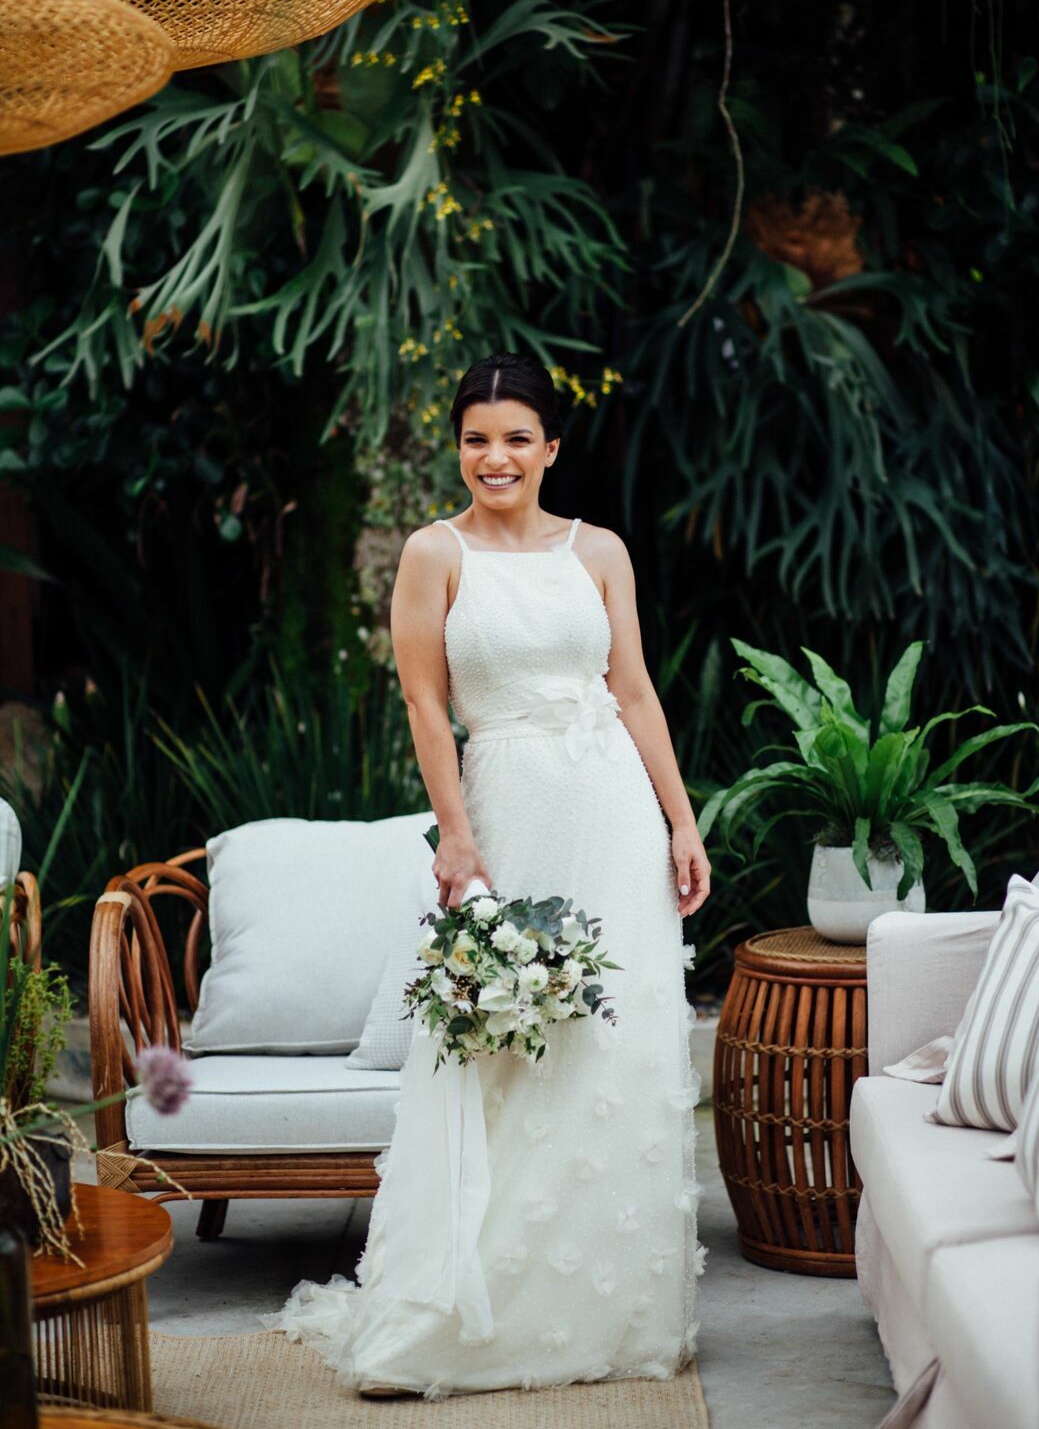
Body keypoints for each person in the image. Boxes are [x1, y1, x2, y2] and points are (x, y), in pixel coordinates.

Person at [269, 351, 712, 1398]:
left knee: (615, 1041)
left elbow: (635, 690)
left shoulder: (598, 551)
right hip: (508, 803)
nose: (495, 456)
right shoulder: (434, 553)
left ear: (550, 448)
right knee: (502, 1043)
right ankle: (466, 1306)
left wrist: (678, 823)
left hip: (609, 809)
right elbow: (427, 705)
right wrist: (455, 837)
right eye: (476, 438)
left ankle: (603, 1308)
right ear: (457, 449)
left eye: (516, 437)